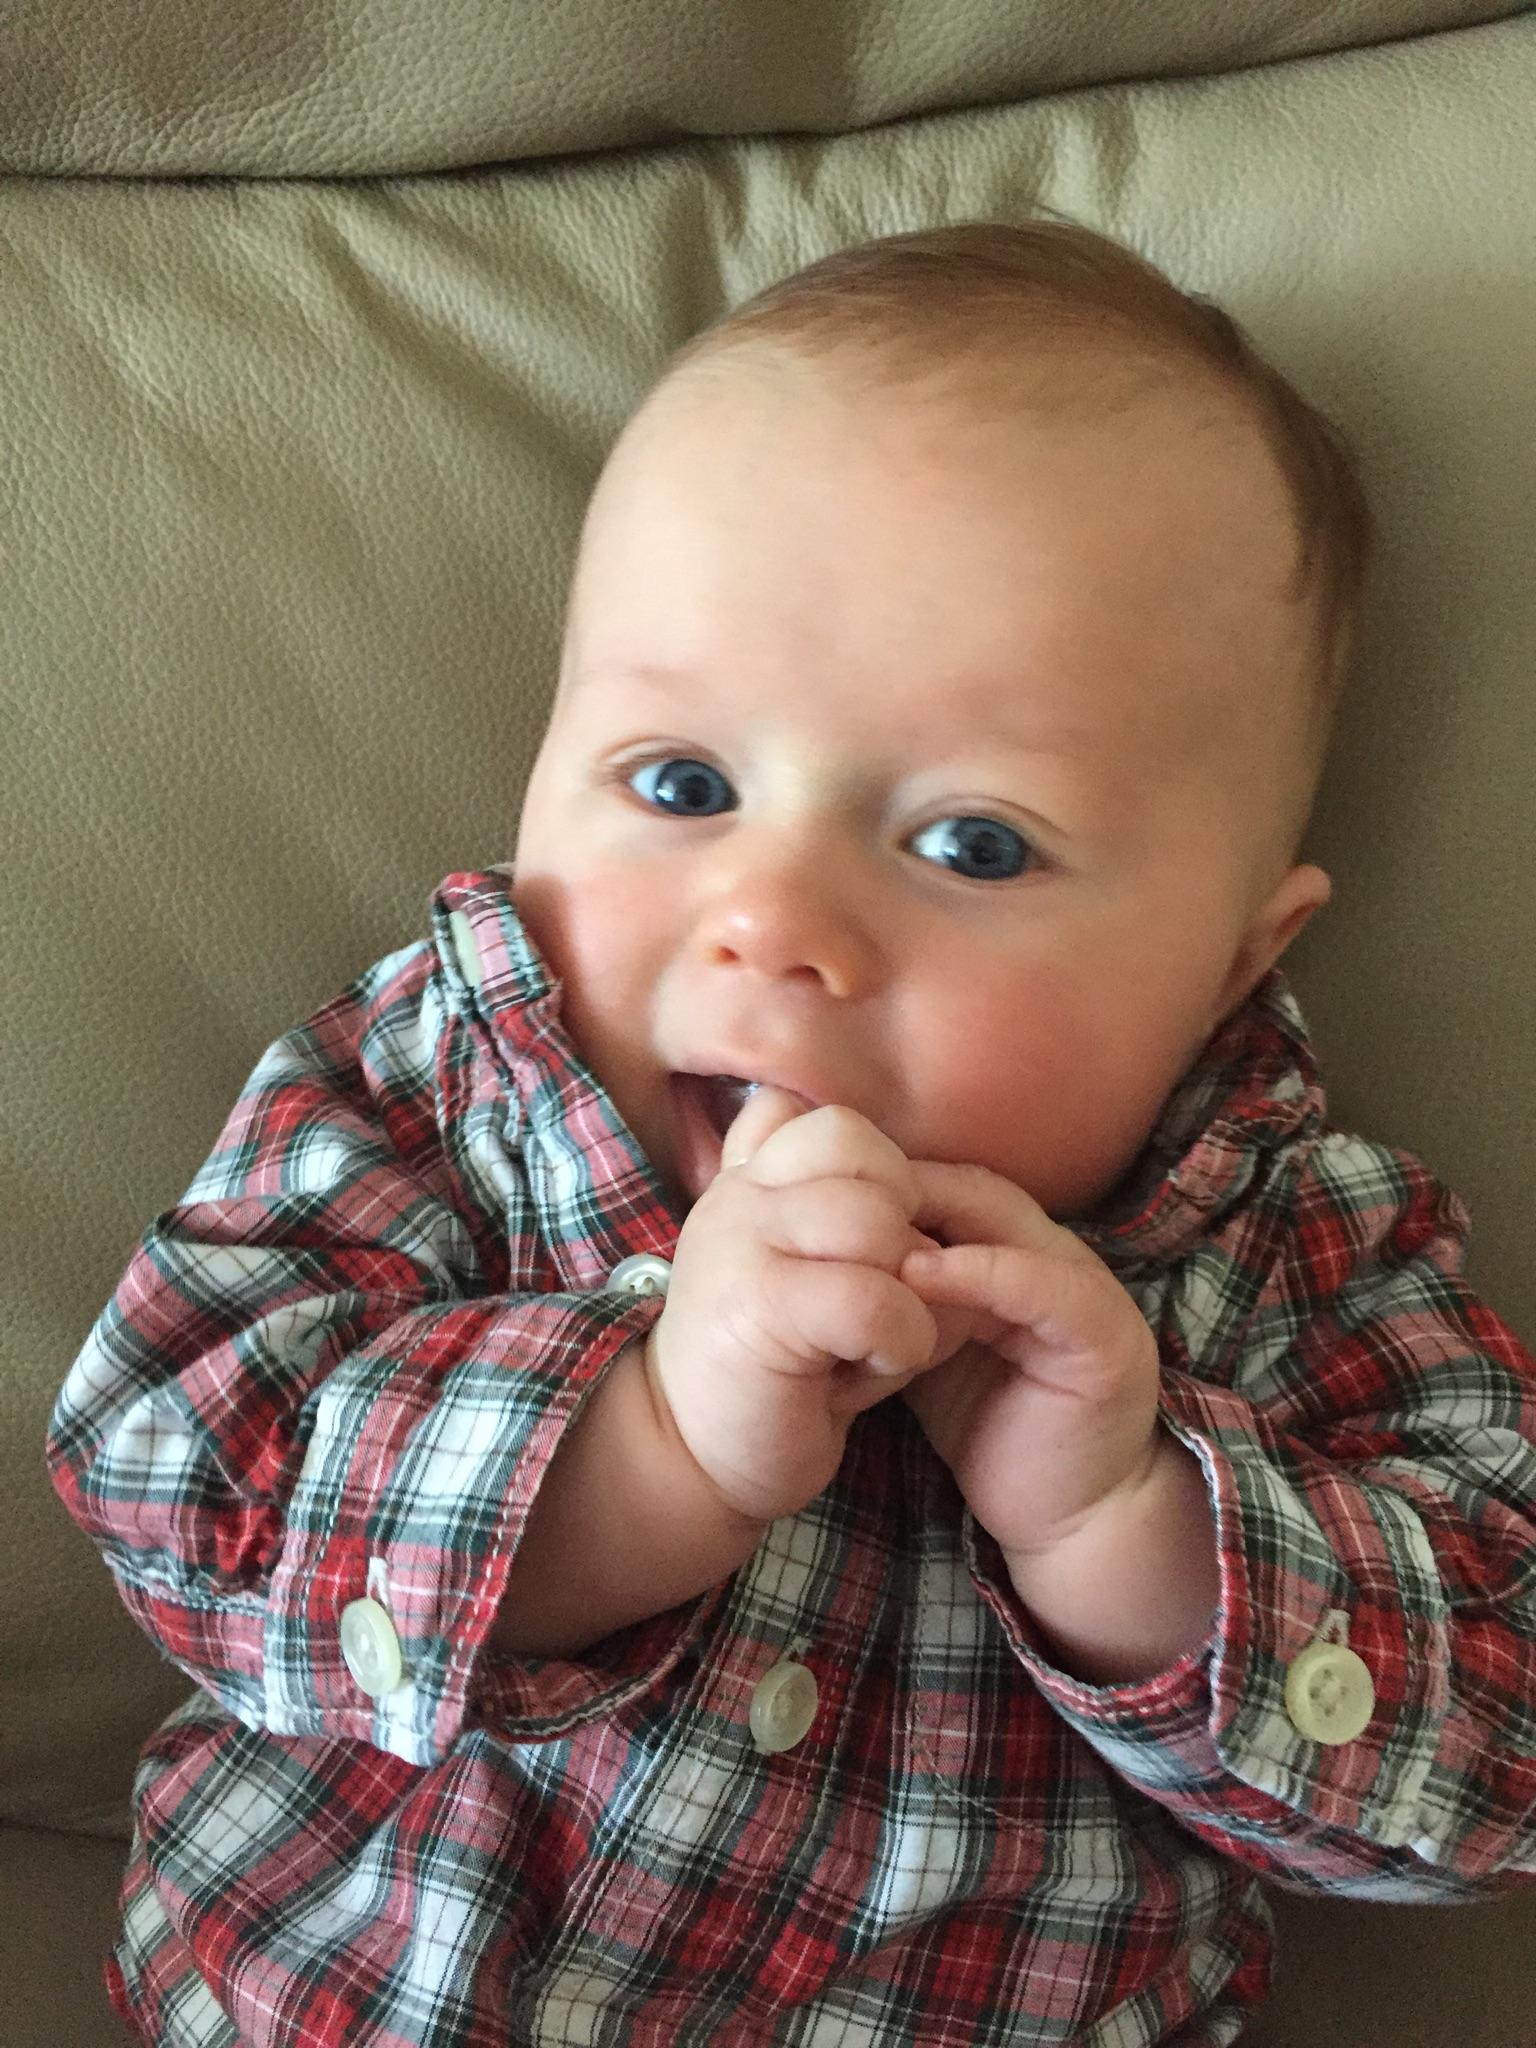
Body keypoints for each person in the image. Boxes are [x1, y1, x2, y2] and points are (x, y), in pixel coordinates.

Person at [49, 219, 1536, 2047]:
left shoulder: (1294, 1240)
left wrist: (1124, 1526)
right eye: (683, 784)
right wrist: (648, 1451)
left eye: (973, 843)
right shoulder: (455, 1078)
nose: (771, 920)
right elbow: (172, 1469)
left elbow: (1500, 1743)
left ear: (1235, 961)